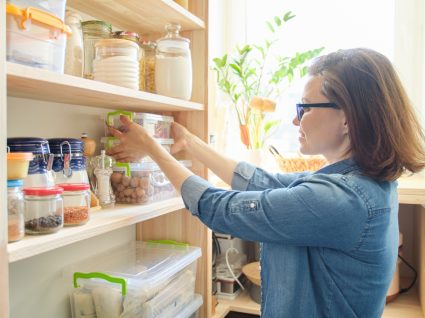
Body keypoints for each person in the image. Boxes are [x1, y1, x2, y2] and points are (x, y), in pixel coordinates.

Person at [107, 48, 425, 317]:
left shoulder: (343, 199)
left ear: (347, 118)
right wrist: (190, 144)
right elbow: (264, 181)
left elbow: (219, 209)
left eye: (305, 107)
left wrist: (151, 148)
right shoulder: (354, 182)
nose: (295, 119)